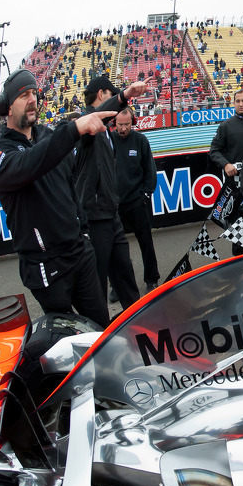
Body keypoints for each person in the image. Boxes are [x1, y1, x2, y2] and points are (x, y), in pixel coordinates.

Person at [0, 69, 117, 328]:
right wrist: (73, 129)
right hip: (46, 268)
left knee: (102, 330)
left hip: (80, 252)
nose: (33, 99)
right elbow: (31, 163)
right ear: (7, 108)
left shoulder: (47, 135)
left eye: (34, 93)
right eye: (24, 95)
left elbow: (68, 180)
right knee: (69, 343)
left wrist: (123, 97)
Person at [75, 75, 148, 310]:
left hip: (111, 212)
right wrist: (124, 96)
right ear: (101, 95)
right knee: (97, 283)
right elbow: (96, 118)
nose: (117, 106)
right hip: (94, 217)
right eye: (112, 95)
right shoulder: (84, 123)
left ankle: (138, 324)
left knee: (125, 275)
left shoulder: (107, 131)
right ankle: (99, 336)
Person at [111, 106, 160, 295]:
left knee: (146, 241)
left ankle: (151, 279)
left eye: (127, 124)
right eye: (120, 125)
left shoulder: (140, 140)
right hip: (114, 205)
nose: (123, 128)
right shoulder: (108, 141)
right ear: (114, 123)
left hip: (136, 202)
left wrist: (146, 194)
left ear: (133, 122)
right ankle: (117, 285)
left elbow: (150, 170)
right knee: (115, 248)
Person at [210, 88, 243, 255]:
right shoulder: (226, 126)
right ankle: (238, 258)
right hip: (235, 185)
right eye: (238, 101)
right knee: (236, 223)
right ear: (233, 103)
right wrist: (226, 164)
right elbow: (214, 151)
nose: (241, 104)